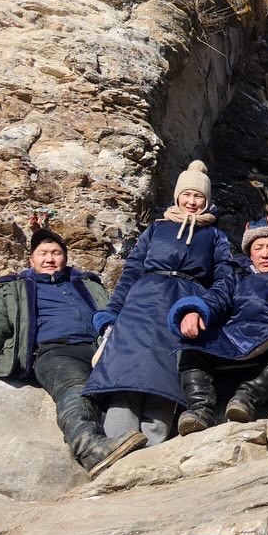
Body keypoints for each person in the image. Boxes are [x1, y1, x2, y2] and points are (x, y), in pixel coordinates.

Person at [0, 229, 145, 476]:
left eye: (56, 253)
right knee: (75, 388)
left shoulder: (88, 284)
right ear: (31, 260)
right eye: (43, 253)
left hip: (101, 348)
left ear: (65, 257)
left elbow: (117, 312)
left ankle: (143, 439)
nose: (50, 259)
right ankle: (89, 449)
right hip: (54, 352)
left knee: (133, 381)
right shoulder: (14, 289)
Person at [84, 161, 234, 445]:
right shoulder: (156, 229)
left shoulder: (215, 236)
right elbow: (131, 271)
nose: (192, 201)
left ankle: (152, 449)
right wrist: (111, 314)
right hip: (140, 303)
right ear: (177, 196)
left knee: (164, 375)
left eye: (199, 196)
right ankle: (117, 445)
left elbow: (226, 280)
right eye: (187, 195)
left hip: (183, 305)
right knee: (124, 371)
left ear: (207, 200)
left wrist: (201, 308)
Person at [168, 218, 268, 433]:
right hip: (233, 338)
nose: (265, 254)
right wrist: (194, 311)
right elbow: (216, 298)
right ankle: (200, 409)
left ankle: (247, 397)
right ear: (249, 253)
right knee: (191, 342)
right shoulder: (235, 275)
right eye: (258, 248)